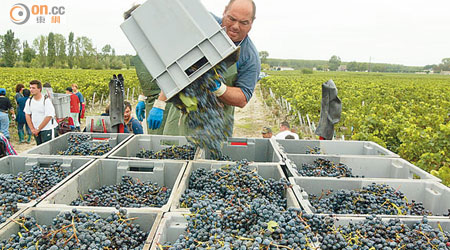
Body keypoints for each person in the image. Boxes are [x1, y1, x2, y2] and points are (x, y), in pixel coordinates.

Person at [146, 0, 260, 136]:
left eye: (244, 22)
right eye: (232, 19)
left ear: (252, 23)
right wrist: (160, 103)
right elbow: (177, 65)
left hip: (213, 125)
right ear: (224, 12)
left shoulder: (250, 57)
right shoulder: (205, 25)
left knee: (206, 155)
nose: (236, 26)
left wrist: (218, 87)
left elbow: (243, 97)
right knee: (174, 150)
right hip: (180, 115)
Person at [24, 80, 58, 145]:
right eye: (30, 88)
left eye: (33, 88)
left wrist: (38, 129)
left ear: (39, 89)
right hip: (36, 131)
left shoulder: (46, 101)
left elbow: (49, 116)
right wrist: (32, 129)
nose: (31, 90)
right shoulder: (29, 101)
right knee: (39, 149)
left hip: (47, 129)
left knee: (48, 151)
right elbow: (27, 114)